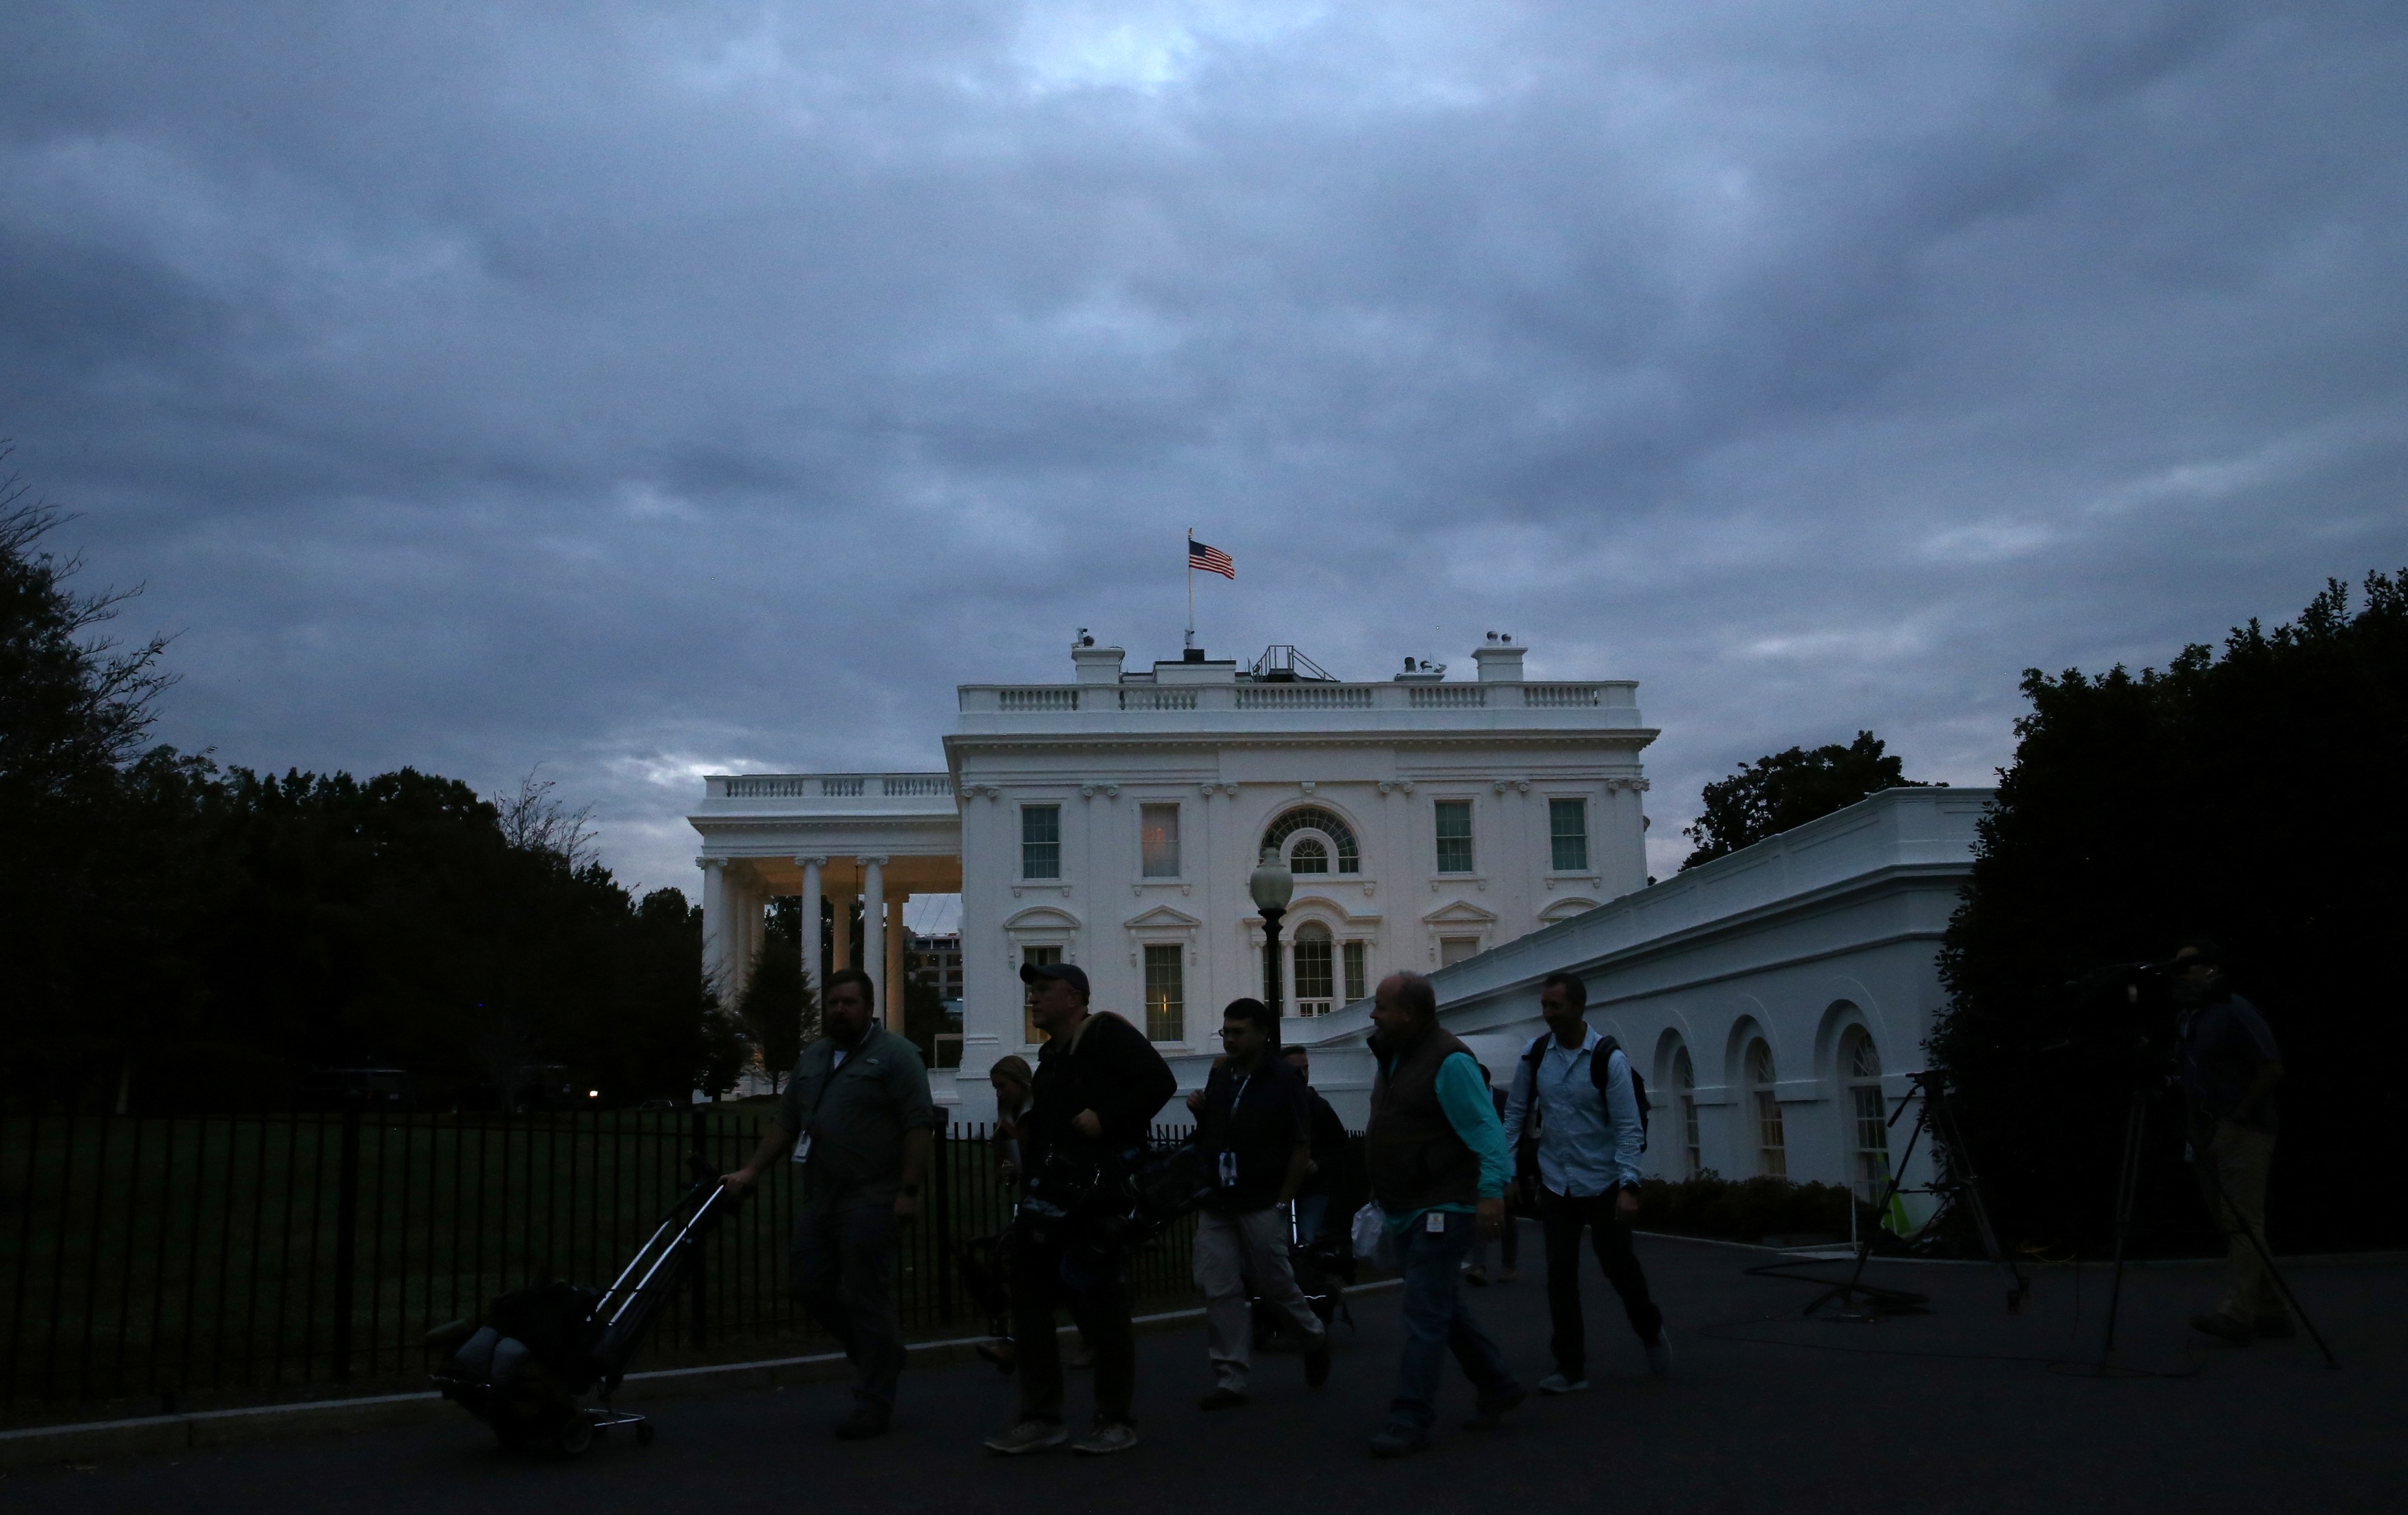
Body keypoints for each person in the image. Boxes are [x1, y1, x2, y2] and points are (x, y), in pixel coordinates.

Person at [722, 967, 932, 1440]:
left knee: (865, 1294)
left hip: (872, 1195)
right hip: (822, 1196)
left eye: (849, 1003)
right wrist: (753, 1170)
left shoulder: (896, 1057)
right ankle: (880, 1353)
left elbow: (918, 1125)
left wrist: (909, 1192)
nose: (839, 1010)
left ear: (869, 1008)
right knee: (809, 1284)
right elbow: (787, 1120)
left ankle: (874, 1401)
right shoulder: (814, 1056)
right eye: (833, 1003)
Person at [982, 962, 1176, 1458]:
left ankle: (1115, 1420)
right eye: (1033, 991)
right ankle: (1041, 1417)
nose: (1034, 998)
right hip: (1048, 1206)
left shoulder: (1107, 1034)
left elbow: (1159, 1082)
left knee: (1104, 1311)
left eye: (1044, 990)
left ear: (1074, 996)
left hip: (1098, 1202)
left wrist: (1106, 1118)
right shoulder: (1050, 1061)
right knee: (1030, 1309)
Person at [1361, 971, 1521, 1458]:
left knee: (1424, 1314)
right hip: (1410, 1205)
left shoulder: (1449, 1062)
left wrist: (1491, 1193)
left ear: (1408, 1014)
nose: (1373, 1014)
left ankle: (1410, 1417)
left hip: (1444, 1207)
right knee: (1441, 1309)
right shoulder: (1395, 1056)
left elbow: (1487, 1131)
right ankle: (1497, 1385)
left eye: (1381, 1006)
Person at [1501, 971, 1668, 1395]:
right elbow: (1515, 1115)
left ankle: (1648, 1328)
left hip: (1603, 1180)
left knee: (1619, 1268)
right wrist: (1504, 1173)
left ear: (1578, 1007)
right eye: (1544, 1006)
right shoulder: (1535, 1056)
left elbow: (1629, 1128)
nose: (1548, 1014)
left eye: (1555, 1006)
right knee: (1560, 1275)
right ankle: (1570, 1366)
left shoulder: (1607, 1059)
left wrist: (1630, 1186)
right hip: (1558, 1182)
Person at [1185, 1000, 1333, 1409]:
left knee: (1275, 1284)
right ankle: (1231, 1377)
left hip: (1261, 1200)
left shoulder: (1284, 1079)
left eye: (1238, 1032)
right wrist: (1202, 1113)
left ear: (1262, 1033)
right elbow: (1220, 1130)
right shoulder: (1221, 1074)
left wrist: (1282, 1202)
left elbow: (1300, 1146)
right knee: (1219, 1286)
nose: (1229, 1039)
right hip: (1219, 1198)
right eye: (1225, 1031)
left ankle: (1312, 1337)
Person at [2171, 939, 2289, 1343]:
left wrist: (2238, 1118)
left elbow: (2271, 1069)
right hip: (2206, 1135)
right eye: (2179, 965)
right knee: (2232, 1223)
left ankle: (2238, 1313)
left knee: (2242, 1221)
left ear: (2214, 968)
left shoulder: (2235, 1010)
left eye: (2192, 964)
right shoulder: (2191, 1018)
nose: (2183, 971)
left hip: (2244, 1131)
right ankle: (2272, 1311)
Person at [1281, 1044, 1350, 1247]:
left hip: (1313, 1189)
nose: (1303, 1074)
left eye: (1305, 1068)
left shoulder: (1319, 1106)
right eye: (1296, 1070)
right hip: (1281, 1190)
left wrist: (1318, 1164)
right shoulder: (1275, 1106)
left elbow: (1340, 1144)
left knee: (1307, 1240)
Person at [1462, 1066, 1520, 1286]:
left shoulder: (1505, 1101)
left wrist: (1513, 1176)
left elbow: (1514, 1137)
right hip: (1478, 1167)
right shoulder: (1467, 1103)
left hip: (1504, 1166)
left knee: (1508, 1216)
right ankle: (1479, 1265)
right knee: (1479, 1214)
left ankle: (1509, 1265)